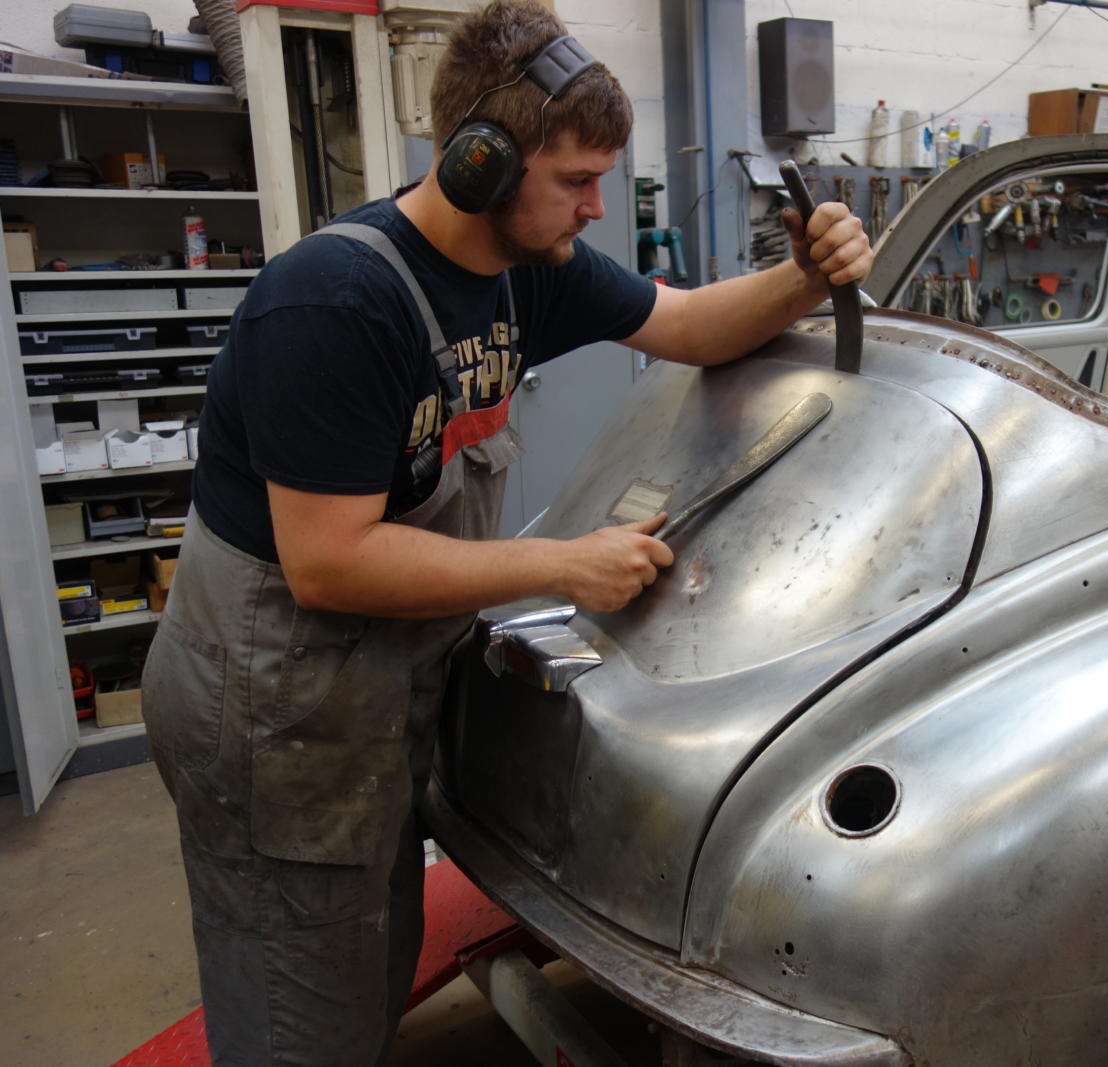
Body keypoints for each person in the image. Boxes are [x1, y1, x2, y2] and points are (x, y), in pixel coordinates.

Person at [139, 1, 871, 1062]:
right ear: (480, 161)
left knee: (364, 966)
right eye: (575, 179)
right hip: (272, 719)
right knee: (300, 1012)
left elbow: (685, 322)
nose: (596, 205)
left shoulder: (528, 273)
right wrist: (564, 565)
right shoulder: (336, 304)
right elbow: (328, 561)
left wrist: (805, 275)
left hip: (365, 698)